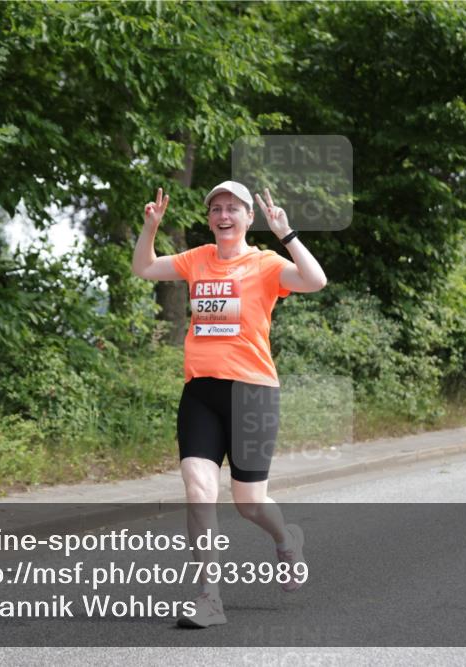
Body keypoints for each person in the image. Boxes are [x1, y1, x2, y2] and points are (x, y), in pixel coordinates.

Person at [132, 181, 328, 627]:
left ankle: (286, 539)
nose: (223, 215)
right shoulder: (197, 258)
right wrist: (150, 227)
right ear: (209, 218)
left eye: (233, 208)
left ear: (248, 217)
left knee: (249, 503)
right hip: (200, 391)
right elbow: (144, 268)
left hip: (253, 392)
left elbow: (315, 281)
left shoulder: (265, 264)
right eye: (216, 209)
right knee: (199, 490)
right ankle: (208, 599)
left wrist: (288, 234)